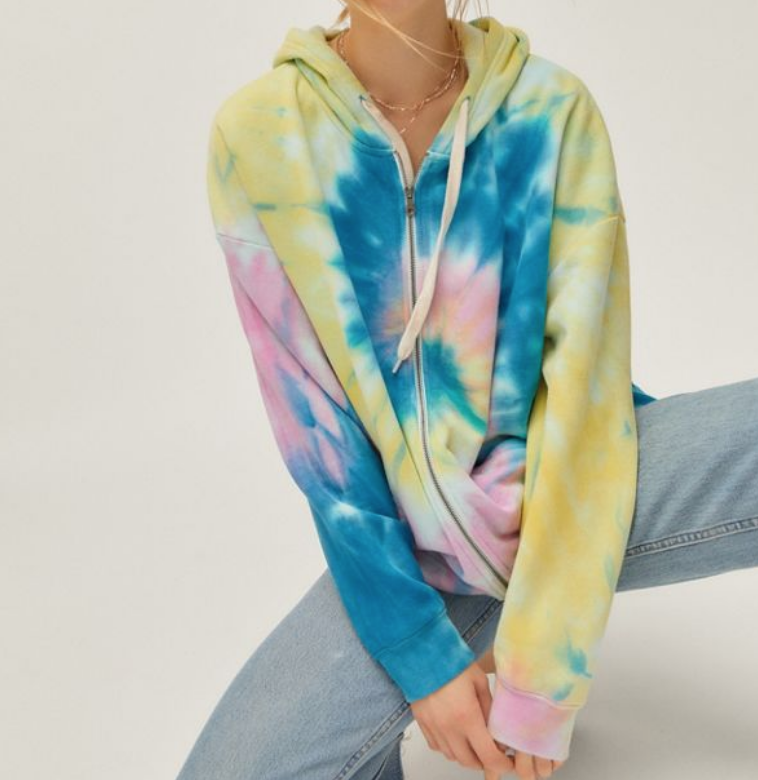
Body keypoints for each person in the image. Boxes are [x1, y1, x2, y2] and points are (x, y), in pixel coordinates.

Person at [177, 1, 758, 778]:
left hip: (569, 486)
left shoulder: (551, 112)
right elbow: (320, 443)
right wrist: (425, 658)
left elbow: (583, 404)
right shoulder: (258, 136)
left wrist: (541, 676)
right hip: (405, 547)